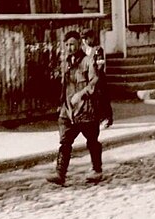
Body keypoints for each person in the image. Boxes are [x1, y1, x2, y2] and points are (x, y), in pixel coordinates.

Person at [46, 30, 103, 185]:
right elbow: (63, 87)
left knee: (92, 141)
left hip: (85, 109)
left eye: (72, 44)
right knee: (65, 142)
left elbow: (94, 82)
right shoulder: (66, 63)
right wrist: (61, 104)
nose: (70, 48)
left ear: (79, 44)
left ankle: (97, 170)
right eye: (67, 45)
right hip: (68, 110)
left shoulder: (88, 61)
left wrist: (81, 94)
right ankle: (60, 174)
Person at [81, 28, 113, 128]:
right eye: (84, 39)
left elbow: (101, 63)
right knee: (93, 100)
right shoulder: (83, 50)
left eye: (87, 38)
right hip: (89, 79)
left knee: (103, 98)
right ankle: (96, 119)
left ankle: (107, 119)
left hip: (99, 78)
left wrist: (95, 71)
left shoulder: (97, 49)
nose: (86, 41)